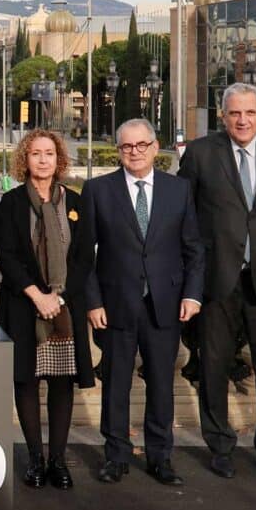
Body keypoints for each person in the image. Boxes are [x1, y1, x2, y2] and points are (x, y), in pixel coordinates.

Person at [176, 83, 256, 482]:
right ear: (222, 116)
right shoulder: (200, 154)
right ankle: (221, 445)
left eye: (249, 113)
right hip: (216, 278)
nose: (242, 120)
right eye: (234, 114)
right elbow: (184, 216)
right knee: (213, 365)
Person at [84, 118, 204, 486]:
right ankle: (115, 456)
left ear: (155, 147)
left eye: (141, 145)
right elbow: (83, 255)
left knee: (161, 386)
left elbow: (194, 249)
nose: (134, 152)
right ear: (117, 150)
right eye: (126, 147)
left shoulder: (178, 190)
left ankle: (160, 457)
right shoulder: (98, 190)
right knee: (116, 384)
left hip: (165, 304)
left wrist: (192, 294)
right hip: (116, 304)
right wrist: (93, 302)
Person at [0, 129, 94, 490]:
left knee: (61, 382)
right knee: (26, 381)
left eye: (49, 153)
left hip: (64, 309)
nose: (42, 159)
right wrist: (38, 295)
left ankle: (58, 460)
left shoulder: (76, 203)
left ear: (59, 159)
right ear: (26, 158)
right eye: (35, 153)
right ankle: (36, 459)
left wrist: (60, 296)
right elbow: (7, 255)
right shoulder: (11, 203)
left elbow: (84, 258)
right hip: (24, 306)